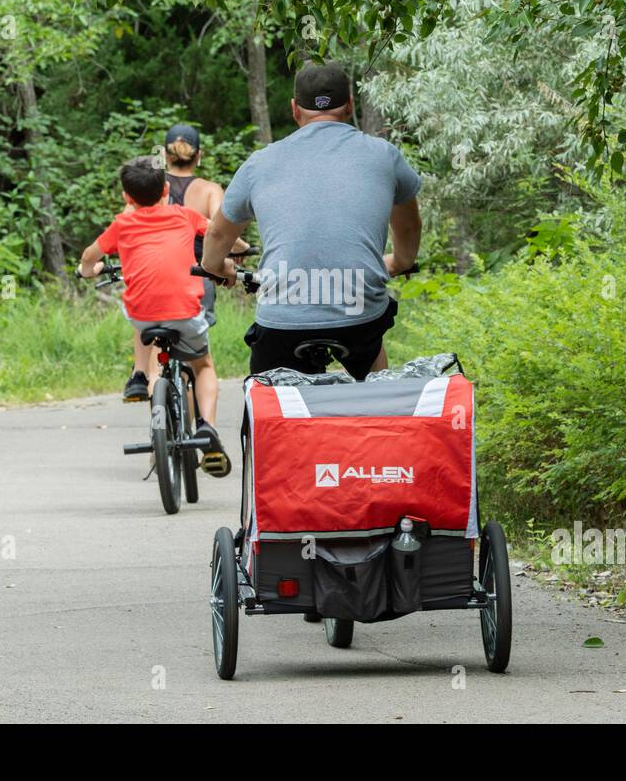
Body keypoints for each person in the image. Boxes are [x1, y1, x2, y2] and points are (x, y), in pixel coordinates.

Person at [200, 61, 422, 380]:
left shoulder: (260, 163)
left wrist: (214, 267)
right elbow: (409, 226)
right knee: (371, 362)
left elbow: (218, 234)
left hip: (284, 318)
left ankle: (271, 424)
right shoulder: (384, 155)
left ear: (294, 109)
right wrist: (400, 262)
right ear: (349, 104)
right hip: (359, 311)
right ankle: (376, 407)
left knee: (268, 403)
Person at [79, 156, 234, 476]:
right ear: (166, 189)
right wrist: (237, 254)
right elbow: (218, 233)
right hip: (186, 312)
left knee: (136, 309)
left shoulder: (121, 224)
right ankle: (207, 427)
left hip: (145, 318)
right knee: (203, 365)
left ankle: (139, 376)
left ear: (126, 198)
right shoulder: (185, 216)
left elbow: (89, 257)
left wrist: (87, 271)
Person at [121, 124, 250, 402]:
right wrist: (239, 253)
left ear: (165, 157)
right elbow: (220, 227)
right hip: (198, 277)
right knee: (196, 361)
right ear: (198, 155)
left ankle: (152, 400)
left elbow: (126, 222)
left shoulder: (151, 188)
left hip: (153, 277)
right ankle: (190, 429)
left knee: (158, 357)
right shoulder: (208, 190)